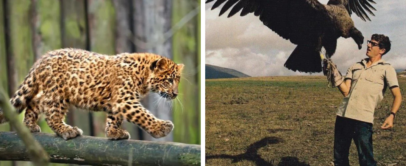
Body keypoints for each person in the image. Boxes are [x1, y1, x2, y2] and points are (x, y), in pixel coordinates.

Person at [324, 34, 402, 166]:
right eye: (369, 42)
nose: (368, 45)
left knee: (366, 160)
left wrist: (392, 115)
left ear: (382, 50)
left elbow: (398, 95)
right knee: (340, 158)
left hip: (363, 120)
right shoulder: (355, 66)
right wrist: (335, 75)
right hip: (343, 116)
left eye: (373, 43)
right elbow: (346, 91)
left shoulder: (387, 69)